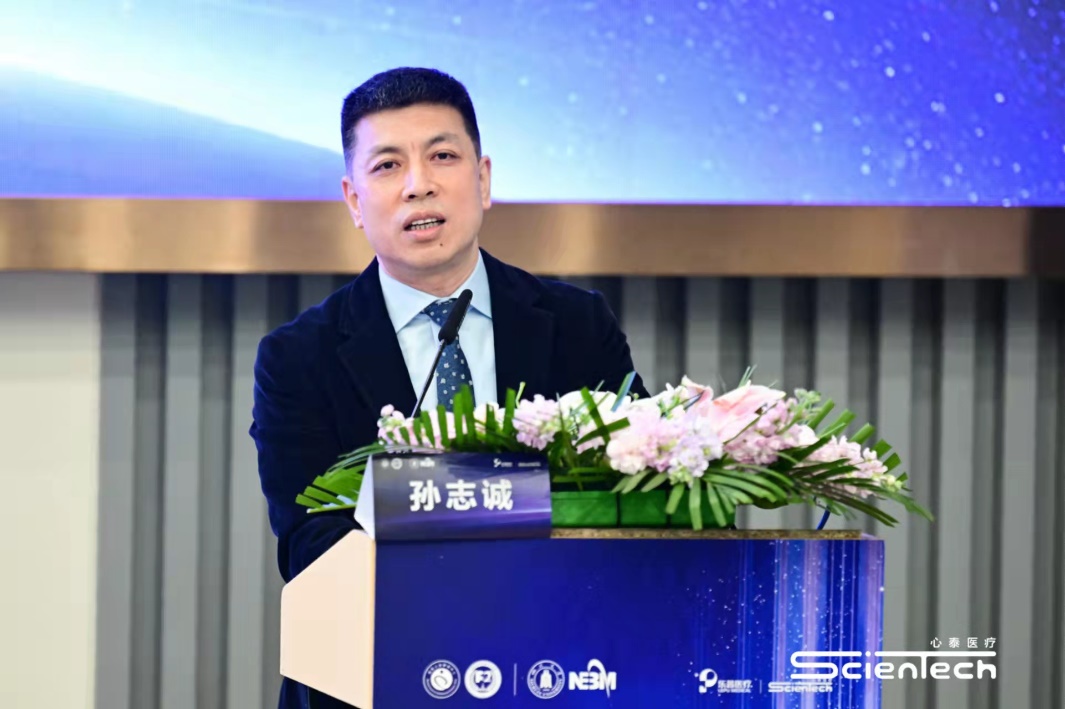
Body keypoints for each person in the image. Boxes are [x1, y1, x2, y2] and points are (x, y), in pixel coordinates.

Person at [250, 66, 648, 708]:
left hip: (554, 668)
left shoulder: (578, 325)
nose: (419, 184)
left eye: (442, 156)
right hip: (374, 678)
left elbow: (638, 495)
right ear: (354, 200)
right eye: (387, 166)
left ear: (483, 179)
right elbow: (311, 546)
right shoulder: (298, 358)